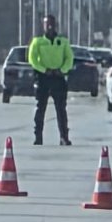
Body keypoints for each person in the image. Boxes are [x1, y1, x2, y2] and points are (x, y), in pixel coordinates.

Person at [28, 14, 74, 146]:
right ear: (43, 26)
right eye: (47, 24)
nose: (49, 26)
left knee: (61, 110)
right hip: (43, 78)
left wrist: (62, 70)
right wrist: (44, 70)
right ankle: (38, 137)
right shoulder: (37, 42)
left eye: (51, 24)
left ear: (55, 25)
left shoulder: (63, 42)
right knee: (40, 109)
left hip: (58, 79)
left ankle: (64, 137)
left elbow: (69, 58)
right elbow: (32, 59)